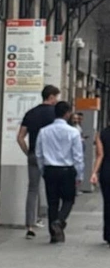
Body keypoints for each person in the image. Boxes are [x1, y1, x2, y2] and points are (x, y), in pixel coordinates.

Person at [35, 101, 84, 244]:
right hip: (67, 170)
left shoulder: (44, 131)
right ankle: (60, 221)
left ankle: (53, 235)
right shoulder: (73, 132)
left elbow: (39, 154)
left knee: (52, 202)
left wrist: (43, 170)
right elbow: (78, 156)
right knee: (68, 199)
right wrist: (79, 174)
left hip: (50, 169)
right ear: (67, 114)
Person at [17, 85, 60, 239]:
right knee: (53, 189)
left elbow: (20, 137)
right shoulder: (55, 114)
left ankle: (30, 225)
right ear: (51, 97)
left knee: (32, 189)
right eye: (56, 97)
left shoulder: (31, 113)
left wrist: (28, 152)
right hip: (51, 157)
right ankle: (53, 224)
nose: (57, 100)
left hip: (34, 154)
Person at [90, 123, 110, 245]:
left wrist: (94, 172)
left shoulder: (102, 134)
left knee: (107, 203)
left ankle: (108, 233)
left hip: (106, 171)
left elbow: (100, 155)